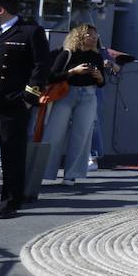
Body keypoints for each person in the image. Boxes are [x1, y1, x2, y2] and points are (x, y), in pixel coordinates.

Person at [0, 0, 50, 218]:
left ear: (1, 10)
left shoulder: (30, 32)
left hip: (13, 103)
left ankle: (10, 202)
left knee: (12, 155)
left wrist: (28, 98)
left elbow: (41, 67)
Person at [40, 24, 107, 187]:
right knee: (54, 133)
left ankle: (71, 175)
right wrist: (73, 71)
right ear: (80, 37)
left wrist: (99, 76)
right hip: (66, 94)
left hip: (89, 95)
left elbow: (102, 84)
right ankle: (44, 172)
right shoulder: (67, 54)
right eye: (90, 35)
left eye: (95, 35)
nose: (94, 38)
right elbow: (51, 77)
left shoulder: (97, 57)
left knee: (82, 134)